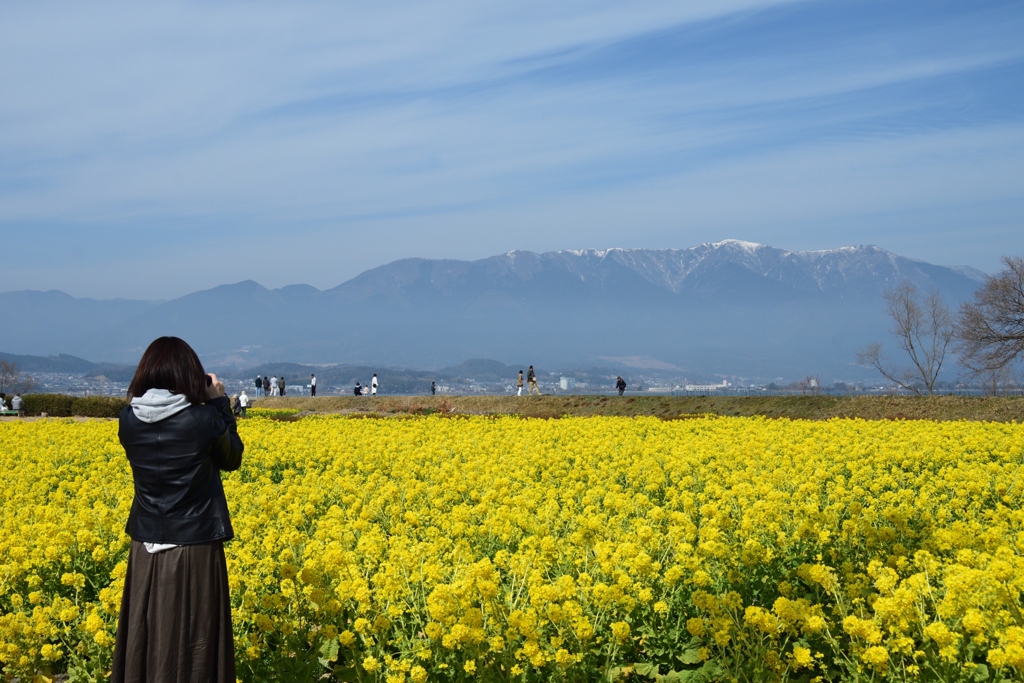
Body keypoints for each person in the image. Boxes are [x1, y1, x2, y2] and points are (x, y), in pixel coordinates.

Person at [111, 336, 243, 683]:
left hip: (145, 547)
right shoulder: (201, 420)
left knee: (147, 632)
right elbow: (233, 458)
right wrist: (219, 403)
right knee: (195, 637)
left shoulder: (128, 420)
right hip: (195, 546)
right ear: (188, 374)